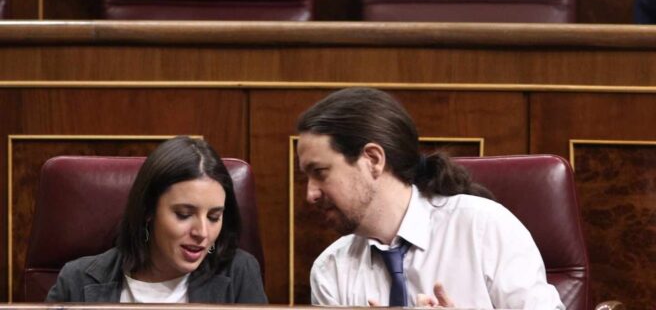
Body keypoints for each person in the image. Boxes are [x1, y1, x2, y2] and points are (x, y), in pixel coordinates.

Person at [296, 87, 564, 309]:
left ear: (373, 160)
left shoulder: (484, 229)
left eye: (320, 172)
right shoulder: (330, 270)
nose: (311, 194)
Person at [46, 136, 267, 303]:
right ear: (148, 211)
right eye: (184, 214)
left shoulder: (239, 273)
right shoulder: (77, 281)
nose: (202, 232)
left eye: (213, 217)